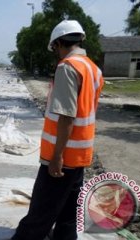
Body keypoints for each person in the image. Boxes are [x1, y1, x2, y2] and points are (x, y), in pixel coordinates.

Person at [12, 20, 104, 240]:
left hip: (62, 156)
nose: (56, 53)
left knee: (41, 212)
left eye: (55, 48)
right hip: (81, 154)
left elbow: (66, 116)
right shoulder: (93, 68)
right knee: (68, 213)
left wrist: (57, 157)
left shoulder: (67, 67)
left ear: (59, 43)